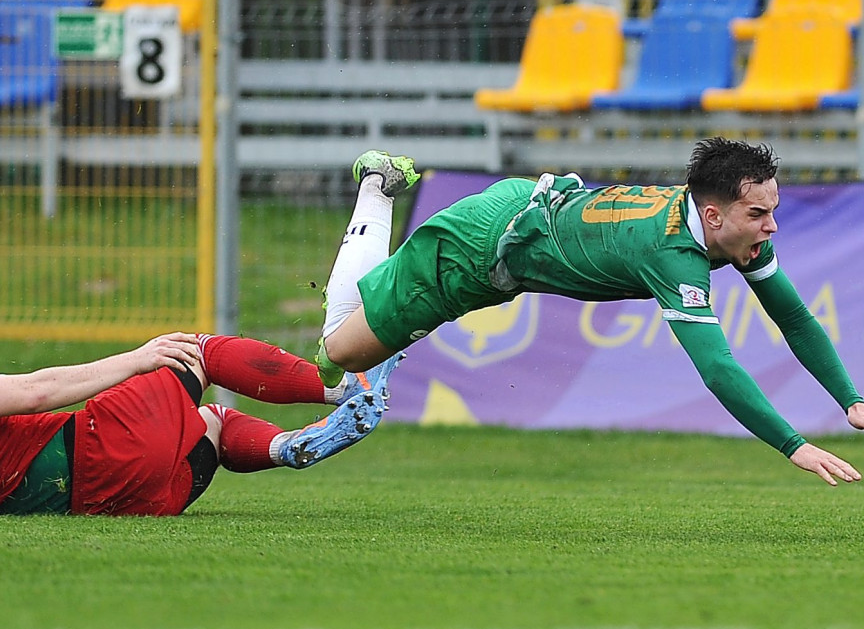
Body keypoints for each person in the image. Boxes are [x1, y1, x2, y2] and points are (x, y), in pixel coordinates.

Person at [314, 138, 864, 486]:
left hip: (522, 218)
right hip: (478, 250)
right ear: (715, 215)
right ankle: (377, 187)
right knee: (339, 352)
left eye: (773, 211)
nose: (772, 226)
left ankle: (375, 301)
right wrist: (793, 445)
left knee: (354, 349)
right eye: (760, 213)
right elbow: (718, 369)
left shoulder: (730, 232)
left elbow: (794, 318)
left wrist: (851, 400)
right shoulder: (672, 253)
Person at [0, 332, 401, 515]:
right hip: (97, 450)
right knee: (194, 352)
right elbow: (35, 393)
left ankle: (291, 445)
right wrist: (136, 359)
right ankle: (343, 387)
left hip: (110, 504)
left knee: (209, 423)